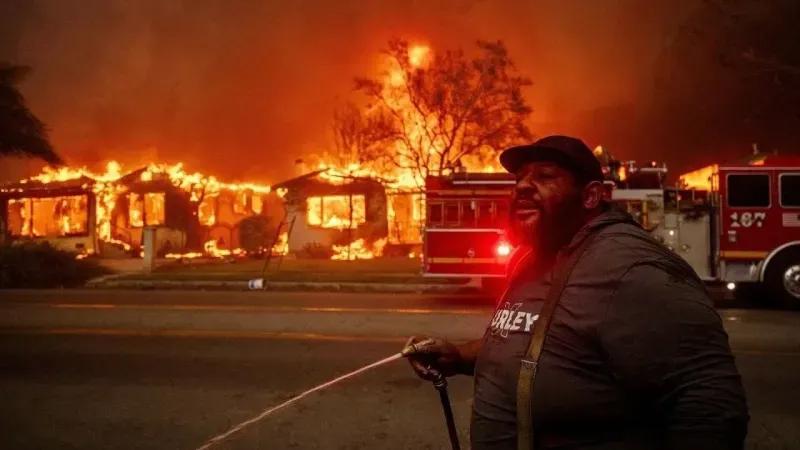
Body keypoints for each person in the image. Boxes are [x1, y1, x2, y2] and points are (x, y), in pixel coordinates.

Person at [402, 135, 749, 450]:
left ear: (590, 195)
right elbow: (544, 338)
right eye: (519, 177)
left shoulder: (631, 269)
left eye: (544, 176)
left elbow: (711, 406)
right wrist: (462, 356)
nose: (523, 186)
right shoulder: (535, 257)